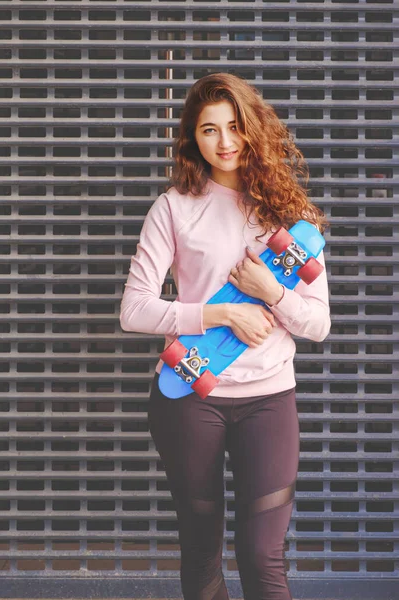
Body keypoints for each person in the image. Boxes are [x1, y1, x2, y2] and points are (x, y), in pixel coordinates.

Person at [120, 72, 330, 600]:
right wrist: (219, 315)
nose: (225, 142)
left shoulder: (291, 217)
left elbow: (319, 325)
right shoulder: (174, 207)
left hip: (269, 400)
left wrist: (274, 294)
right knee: (201, 551)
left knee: (263, 556)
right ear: (193, 137)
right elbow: (134, 309)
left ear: (253, 129)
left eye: (235, 127)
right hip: (190, 395)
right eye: (209, 130)